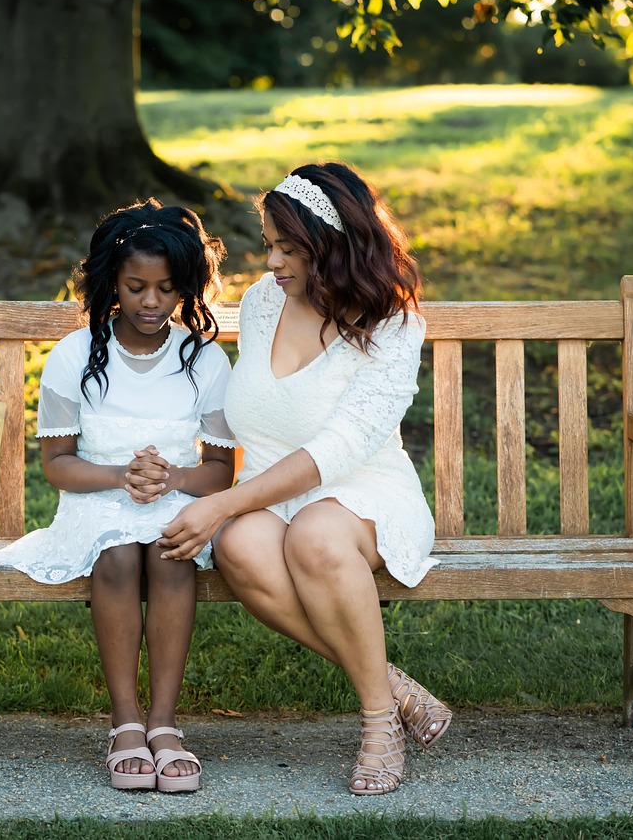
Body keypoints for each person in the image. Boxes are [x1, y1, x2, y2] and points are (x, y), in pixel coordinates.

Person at [157, 162, 450, 796]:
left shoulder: (391, 323)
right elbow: (251, 411)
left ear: (336, 247)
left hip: (362, 490)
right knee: (237, 544)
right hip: (270, 489)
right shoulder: (266, 302)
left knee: (316, 537)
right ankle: (392, 684)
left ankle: (378, 723)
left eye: (289, 249)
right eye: (269, 245)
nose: (272, 263)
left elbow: (340, 448)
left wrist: (224, 501)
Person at [0, 198, 236, 793]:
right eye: (136, 286)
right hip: (96, 500)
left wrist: (168, 479)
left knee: (172, 554)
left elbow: (219, 471)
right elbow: (60, 465)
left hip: (176, 498)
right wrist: (122, 475)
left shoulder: (203, 359)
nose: (151, 302)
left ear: (187, 289)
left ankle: (165, 725)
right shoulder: (76, 356)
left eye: (167, 288)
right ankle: (125, 723)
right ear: (110, 283)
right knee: (119, 555)